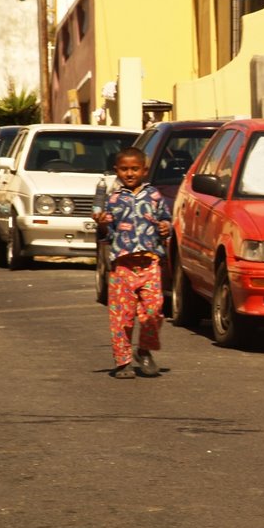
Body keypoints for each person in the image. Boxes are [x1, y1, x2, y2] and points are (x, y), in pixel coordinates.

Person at [96, 147, 171, 379]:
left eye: (135, 169)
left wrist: (166, 227)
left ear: (144, 170)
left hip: (149, 265)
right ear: (117, 171)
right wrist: (101, 222)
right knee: (122, 316)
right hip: (123, 266)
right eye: (124, 169)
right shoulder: (114, 199)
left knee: (153, 312)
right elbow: (106, 231)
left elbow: (166, 221)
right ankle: (122, 361)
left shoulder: (155, 196)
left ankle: (144, 351)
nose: (130, 173)